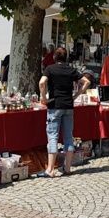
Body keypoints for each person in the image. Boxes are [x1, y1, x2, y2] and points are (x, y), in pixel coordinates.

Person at [38, 47, 90, 177]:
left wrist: (44, 98)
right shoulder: (71, 70)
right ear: (66, 58)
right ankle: (67, 168)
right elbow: (87, 81)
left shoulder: (50, 69)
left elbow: (42, 82)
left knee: (53, 136)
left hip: (55, 105)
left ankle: (50, 169)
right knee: (68, 137)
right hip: (68, 106)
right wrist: (76, 95)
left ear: (55, 57)